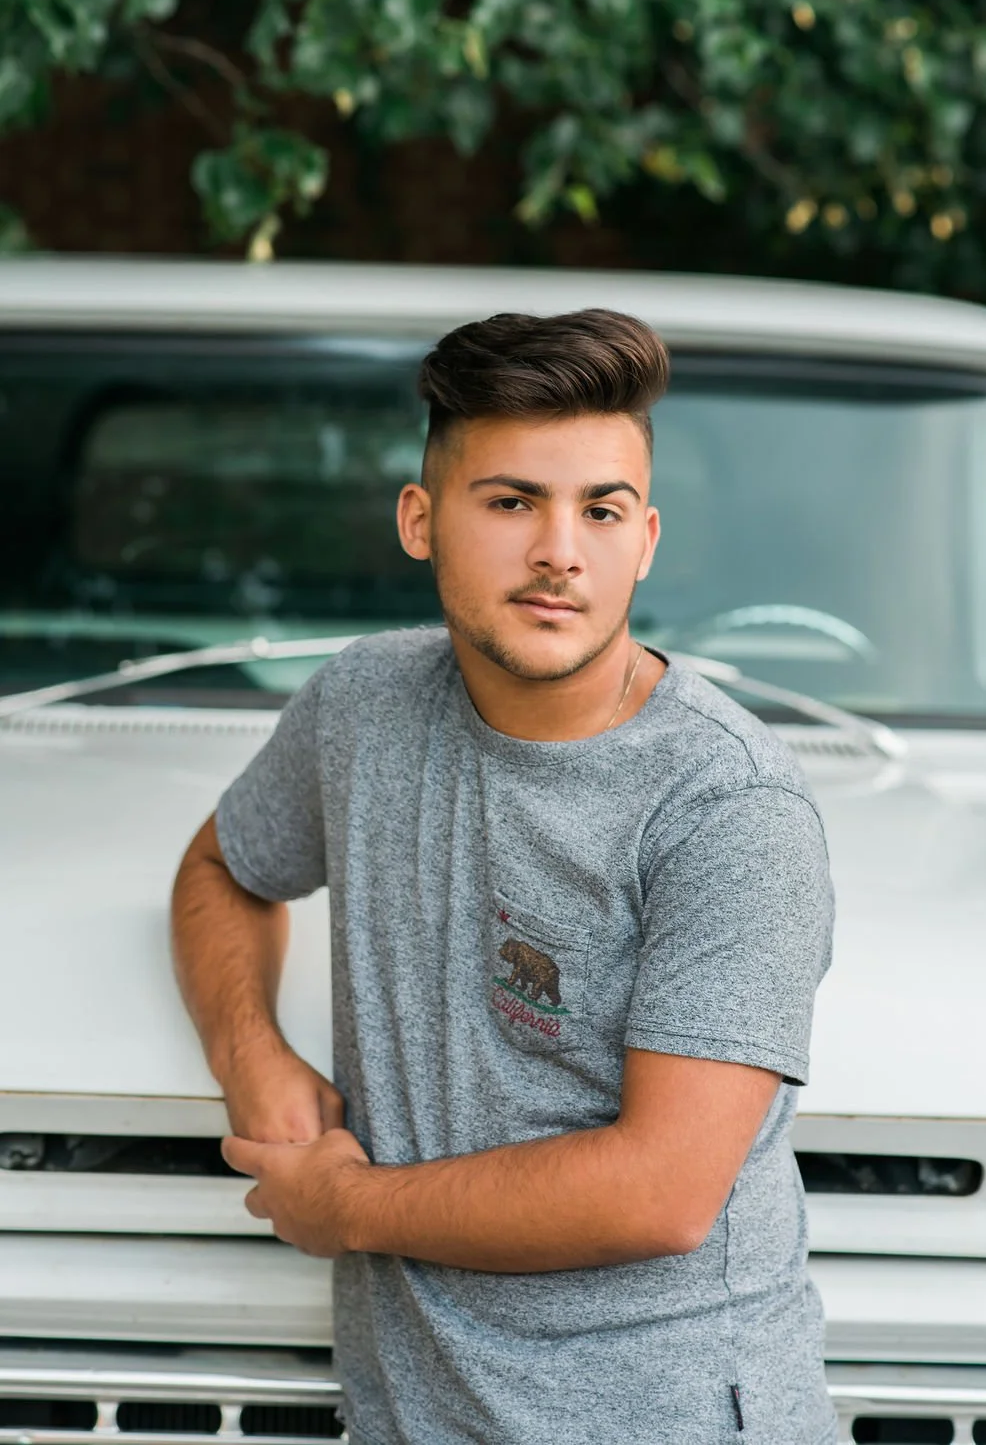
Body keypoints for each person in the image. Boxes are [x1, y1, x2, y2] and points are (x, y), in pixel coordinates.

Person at [171, 308, 837, 1445]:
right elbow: (223, 868)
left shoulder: (729, 809)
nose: (558, 553)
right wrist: (252, 1054)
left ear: (646, 538)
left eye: (600, 509)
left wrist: (344, 1207)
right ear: (420, 520)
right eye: (512, 501)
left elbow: (661, 1192)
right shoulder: (364, 705)